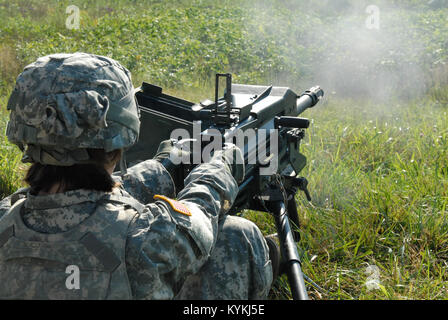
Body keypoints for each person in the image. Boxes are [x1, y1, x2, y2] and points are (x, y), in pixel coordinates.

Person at [0, 52, 273, 299]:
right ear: (119, 136)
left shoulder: (6, 218)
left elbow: (83, 198)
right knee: (237, 234)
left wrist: (164, 166)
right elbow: (200, 216)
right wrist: (220, 166)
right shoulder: (143, 238)